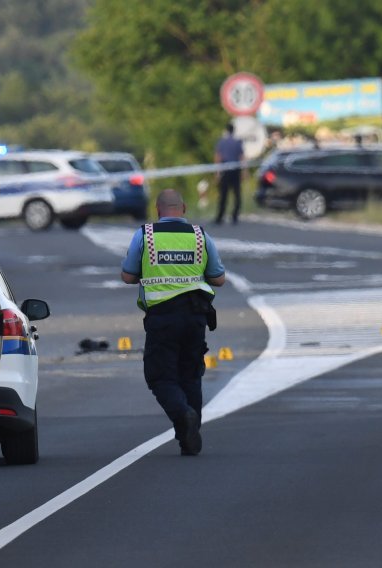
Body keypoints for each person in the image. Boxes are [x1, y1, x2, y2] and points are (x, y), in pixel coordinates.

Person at [121, 189, 226, 455]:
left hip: (163, 318)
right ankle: (189, 437)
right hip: (195, 317)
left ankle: (183, 415)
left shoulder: (145, 236)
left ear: (158, 211)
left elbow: (128, 276)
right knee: (191, 374)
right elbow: (218, 278)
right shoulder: (201, 236)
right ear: (185, 208)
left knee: (160, 376)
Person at [214, 122, 245, 225]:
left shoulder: (222, 142)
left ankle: (220, 216)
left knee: (223, 195)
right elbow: (241, 157)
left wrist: (217, 172)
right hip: (235, 170)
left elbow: (218, 157)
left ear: (227, 130)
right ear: (234, 130)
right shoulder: (238, 142)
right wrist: (244, 171)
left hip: (225, 170)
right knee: (237, 194)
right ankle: (235, 216)